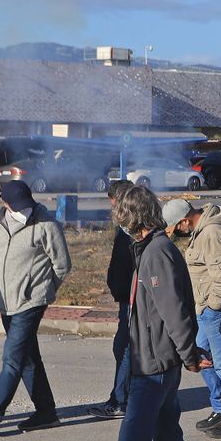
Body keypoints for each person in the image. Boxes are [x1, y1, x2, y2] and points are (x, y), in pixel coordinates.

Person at [67, 186, 208, 441]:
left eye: (120, 213)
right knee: (167, 437)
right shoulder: (150, 247)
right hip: (156, 362)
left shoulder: (157, 251)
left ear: (130, 216)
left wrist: (189, 355)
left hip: (154, 367)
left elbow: (173, 311)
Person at [0, 179, 71, 436]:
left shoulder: (46, 224)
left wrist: (41, 290)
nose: (23, 210)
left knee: (12, 359)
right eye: (16, 206)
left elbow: (62, 264)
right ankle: (46, 412)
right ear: (4, 203)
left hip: (31, 302)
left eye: (25, 205)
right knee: (28, 358)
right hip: (6, 301)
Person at [162, 198, 221, 439]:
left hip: (215, 310)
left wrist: (211, 306)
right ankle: (220, 407)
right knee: (199, 356)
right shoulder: (202, 231)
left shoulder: (211, 233)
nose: (177, 233)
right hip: (205, 309)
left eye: (177, 228)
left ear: (185, 221)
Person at [89, 179, 135, 420]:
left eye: (114, 203)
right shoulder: (126, 226)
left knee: (125, 348)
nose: (112, 208)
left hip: (132, 299)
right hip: (125, 298)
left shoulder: (135, 229)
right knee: (123, 348)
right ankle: (124, 396)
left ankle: (121, 400)